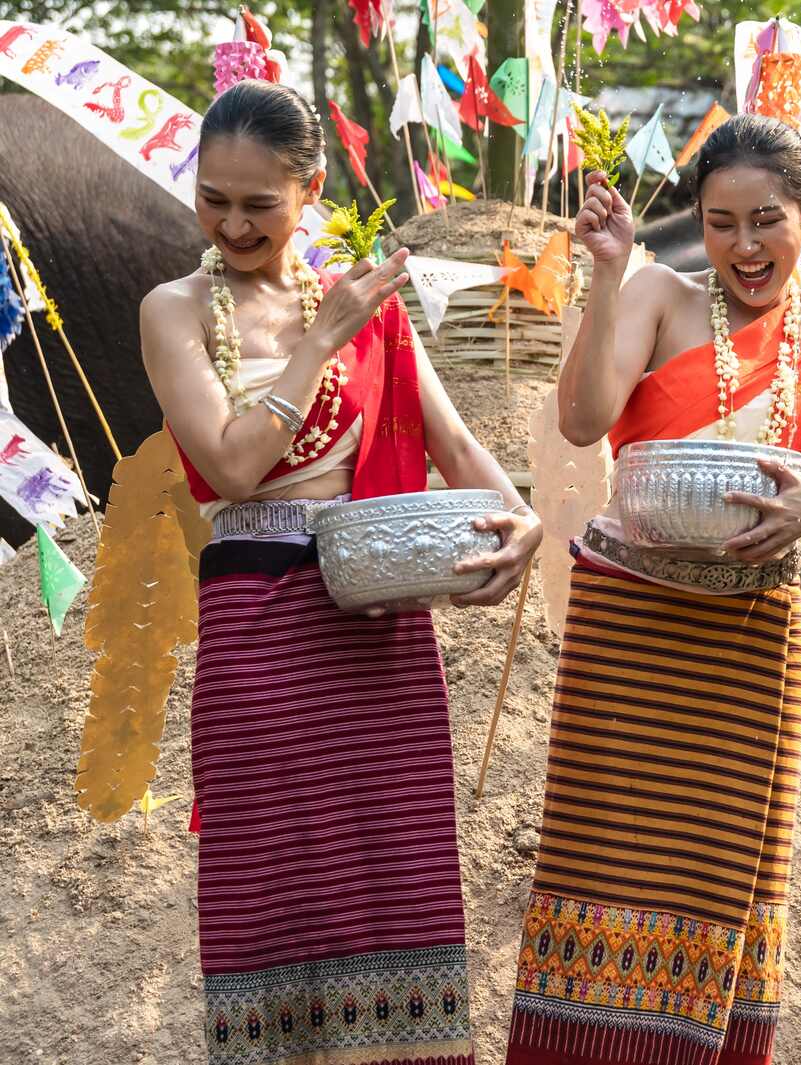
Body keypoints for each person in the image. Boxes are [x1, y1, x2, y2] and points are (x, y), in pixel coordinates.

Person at [139, 80, 542, 1064]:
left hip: (377, 632)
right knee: (272, 899)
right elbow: (231, 464)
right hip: (257, 642)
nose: (233, 224)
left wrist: (520, 524)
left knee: (394, 885)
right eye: (213, 200)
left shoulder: (369, 307)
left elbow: (451, 444)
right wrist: (319, 340)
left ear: (310, 188)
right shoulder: (176, 311)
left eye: (259, 204)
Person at [502, 114, 801, 1065]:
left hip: (749, 636)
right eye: (721, 223)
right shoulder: (661, 294)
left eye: (768, 221)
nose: (745, 246)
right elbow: (584, 422)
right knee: (604, 867)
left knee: (719, 887)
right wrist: (609, 273)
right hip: (629, 631)